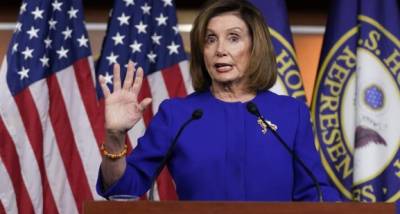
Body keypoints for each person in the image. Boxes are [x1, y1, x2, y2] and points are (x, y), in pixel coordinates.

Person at [96, 0, 341, 201]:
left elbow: (316, 192)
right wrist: (115, 137)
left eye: (233, 38)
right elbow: (122, 188)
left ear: (255, 47)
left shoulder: (290, 113)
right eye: (210, 39)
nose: (219, 49)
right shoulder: (178, 115)